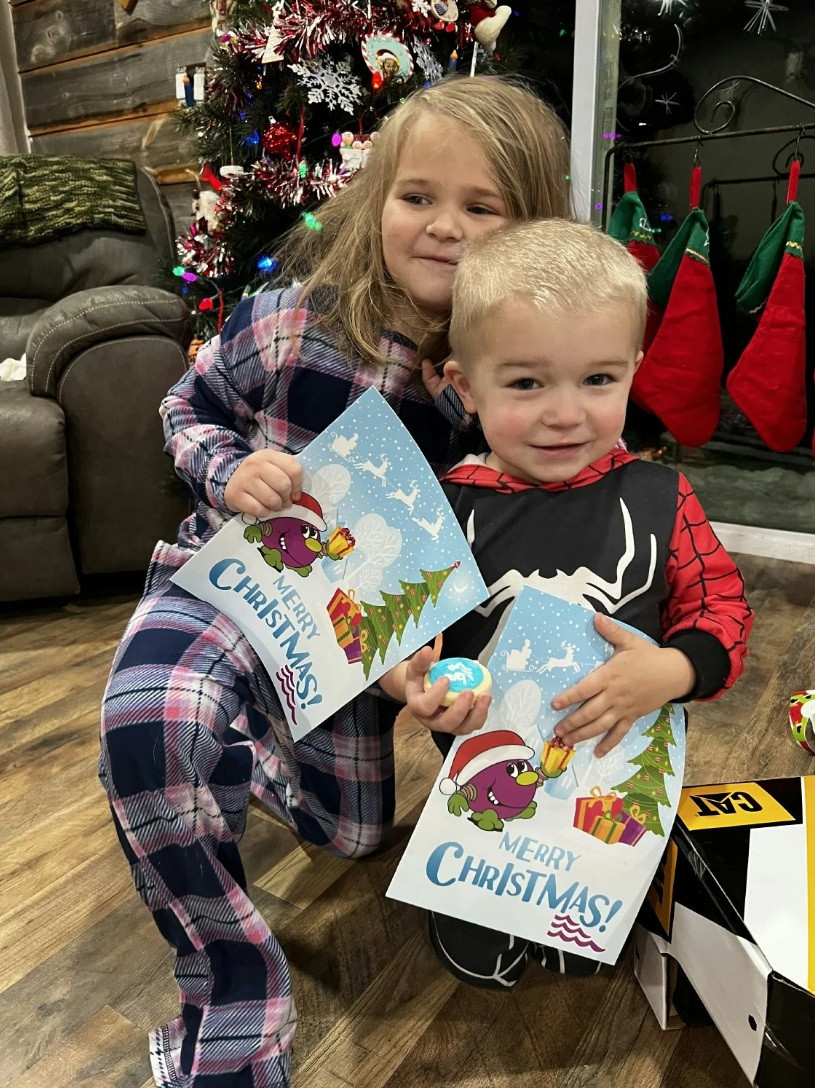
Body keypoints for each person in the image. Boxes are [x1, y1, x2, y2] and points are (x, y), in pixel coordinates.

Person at [98, 75, 572, 1088]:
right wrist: (230, 471)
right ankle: (231, 1021)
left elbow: (484, 551)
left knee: (350, 835)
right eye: (417, 195)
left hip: (353, 639)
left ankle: (231, 756)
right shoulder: (285, 320)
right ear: (376, 200)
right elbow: (186, 410)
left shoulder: (500, 388)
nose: (442, 226)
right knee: (150, 720)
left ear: (525, 223)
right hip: (226, 585)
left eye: (480, 206)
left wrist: (418, 661)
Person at [379, 218, 754, 989]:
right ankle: (479, 904)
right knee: (486, 895)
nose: (564, 413)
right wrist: (407, 687)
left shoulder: (662, 496)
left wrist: (674, 671)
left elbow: (720, 606)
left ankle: (593, 903)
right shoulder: (438, 509)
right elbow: (397, 638)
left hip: (616, 776)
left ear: (632, 371)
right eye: (524, 383)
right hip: (480, 788)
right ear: (464, 385)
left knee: (610, 922)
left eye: (597, 380)